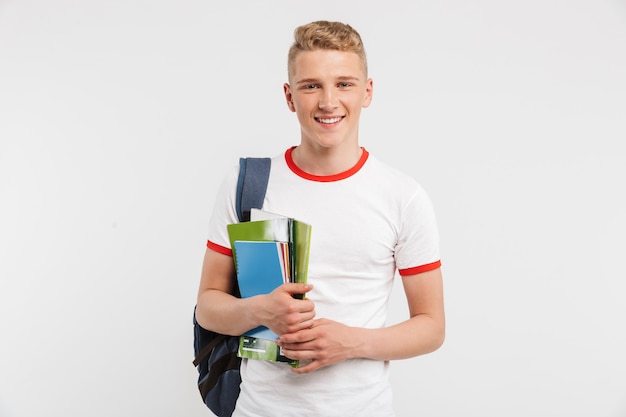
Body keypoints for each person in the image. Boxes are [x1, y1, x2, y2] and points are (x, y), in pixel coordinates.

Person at [196, 20, 445, 417]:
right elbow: (207, 307)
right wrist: (260, 311)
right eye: (311, 85)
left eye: (344, 84)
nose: (328, 101)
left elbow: (432, 326)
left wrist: (353, 342)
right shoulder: (248, 183)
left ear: (367, 92)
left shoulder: (403, 196)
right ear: (290, 96)